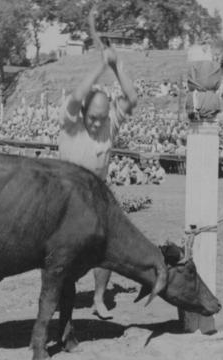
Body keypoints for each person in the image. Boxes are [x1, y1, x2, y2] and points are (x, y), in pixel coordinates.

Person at [57, 45, 138, 320]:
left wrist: (116, 66)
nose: (96, 124)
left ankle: (99, 298)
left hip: (97, 194)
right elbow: (79, 93)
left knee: (106, 247)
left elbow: (132, 97)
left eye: (101, 119)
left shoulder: (109, 124)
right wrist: (100, 66)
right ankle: (59, 296)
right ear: (82, 112)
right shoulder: (70, 121)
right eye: (92, 118)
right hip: (66, 194)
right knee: (63, 252)